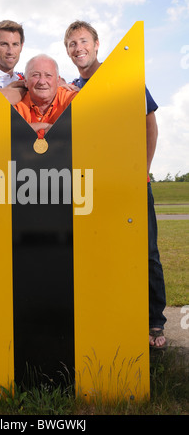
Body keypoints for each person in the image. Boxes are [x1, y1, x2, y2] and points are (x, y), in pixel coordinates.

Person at [64, 20, 167, 349]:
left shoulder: (123, 76)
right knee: (102, 251)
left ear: (96, 44)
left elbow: (150, 126)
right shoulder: (73, 88)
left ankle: (154, 323)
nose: (78, 48)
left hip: (131, 181)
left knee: (145, 250)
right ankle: (109, 313)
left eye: (83, 41)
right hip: (96, 186)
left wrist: (143, 171)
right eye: (71, 43)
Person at [14, 54, 79, 137]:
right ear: (26, 81)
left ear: (58, 81)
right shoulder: (17, 103)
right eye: (36, 75)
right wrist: (45, 126)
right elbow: (4, 134)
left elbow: (90, 122)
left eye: (48, 75)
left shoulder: (69, 98)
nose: (42, 82)